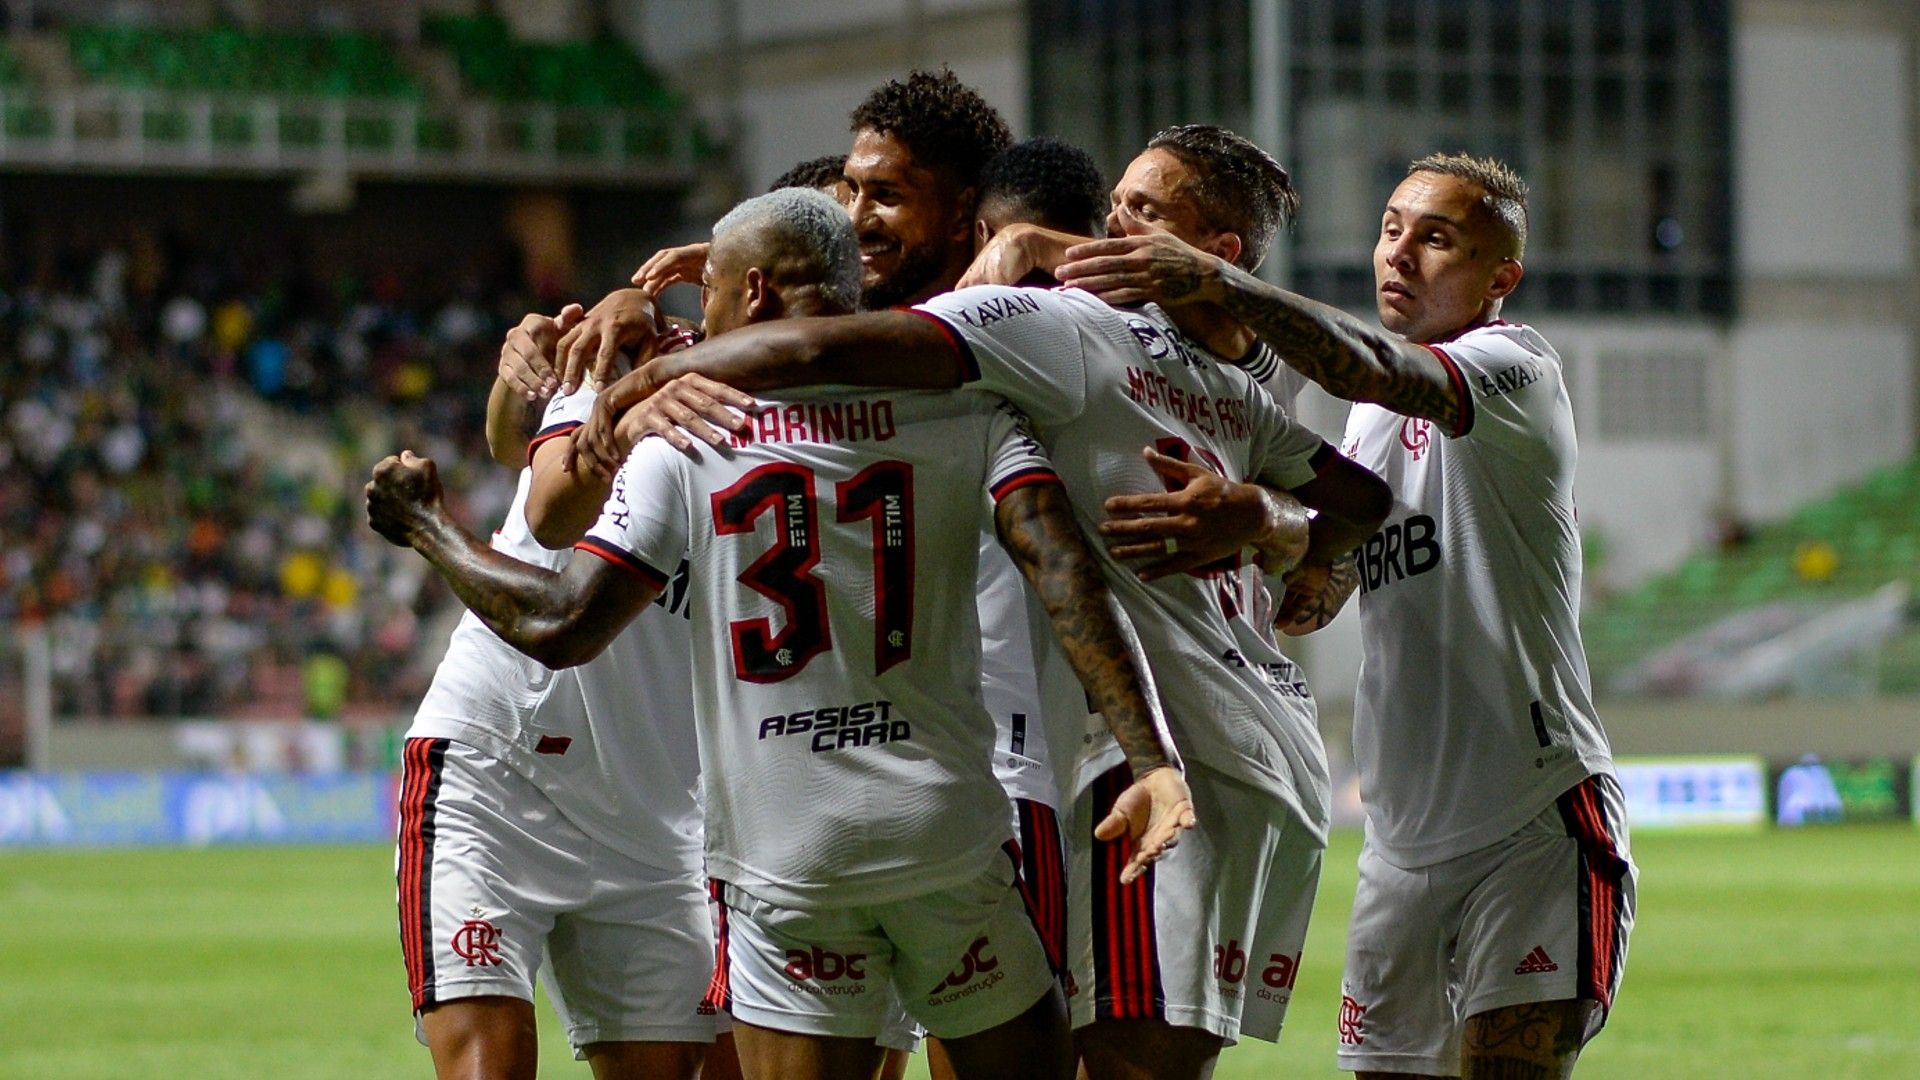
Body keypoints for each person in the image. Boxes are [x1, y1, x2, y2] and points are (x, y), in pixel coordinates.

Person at [567, 131, 1394, 1078]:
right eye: (1114, 205)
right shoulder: (1215, 376)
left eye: (1143, 212)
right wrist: (1268, 520)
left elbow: (815, 339)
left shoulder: (1059, 330)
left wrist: (650, 376)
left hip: (1155, 749)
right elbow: (1360, 506)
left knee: (1120, 1064)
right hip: (1233, 739)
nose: (1110, 227)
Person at [369, 188, 1196, 1080]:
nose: (700, 312)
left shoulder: (686, 424)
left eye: (713, 289)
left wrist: (425, 525)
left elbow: (560, 616)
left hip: (782, 860)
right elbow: (1063, 569)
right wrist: (1151, 758)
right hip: (938, 833)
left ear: (752, 291)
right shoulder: (969, 406)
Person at [1050, 151, 1635, 1078]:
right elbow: (1312, 598)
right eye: (1392, 228)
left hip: (1531, 818)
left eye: (1437, 239)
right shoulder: (1365, 427)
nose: (1399, 255)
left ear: (1499, 278)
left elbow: (1366, 362)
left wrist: (1217, 285)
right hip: (1400, 841)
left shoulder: (1512, 369)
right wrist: (1250, 524)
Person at [399, 326, 716, 1080]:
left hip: (658, 811)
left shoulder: (822, 422)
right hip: (498, 767)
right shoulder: (631, 356)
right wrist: (530, 384)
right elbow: (546, 502)